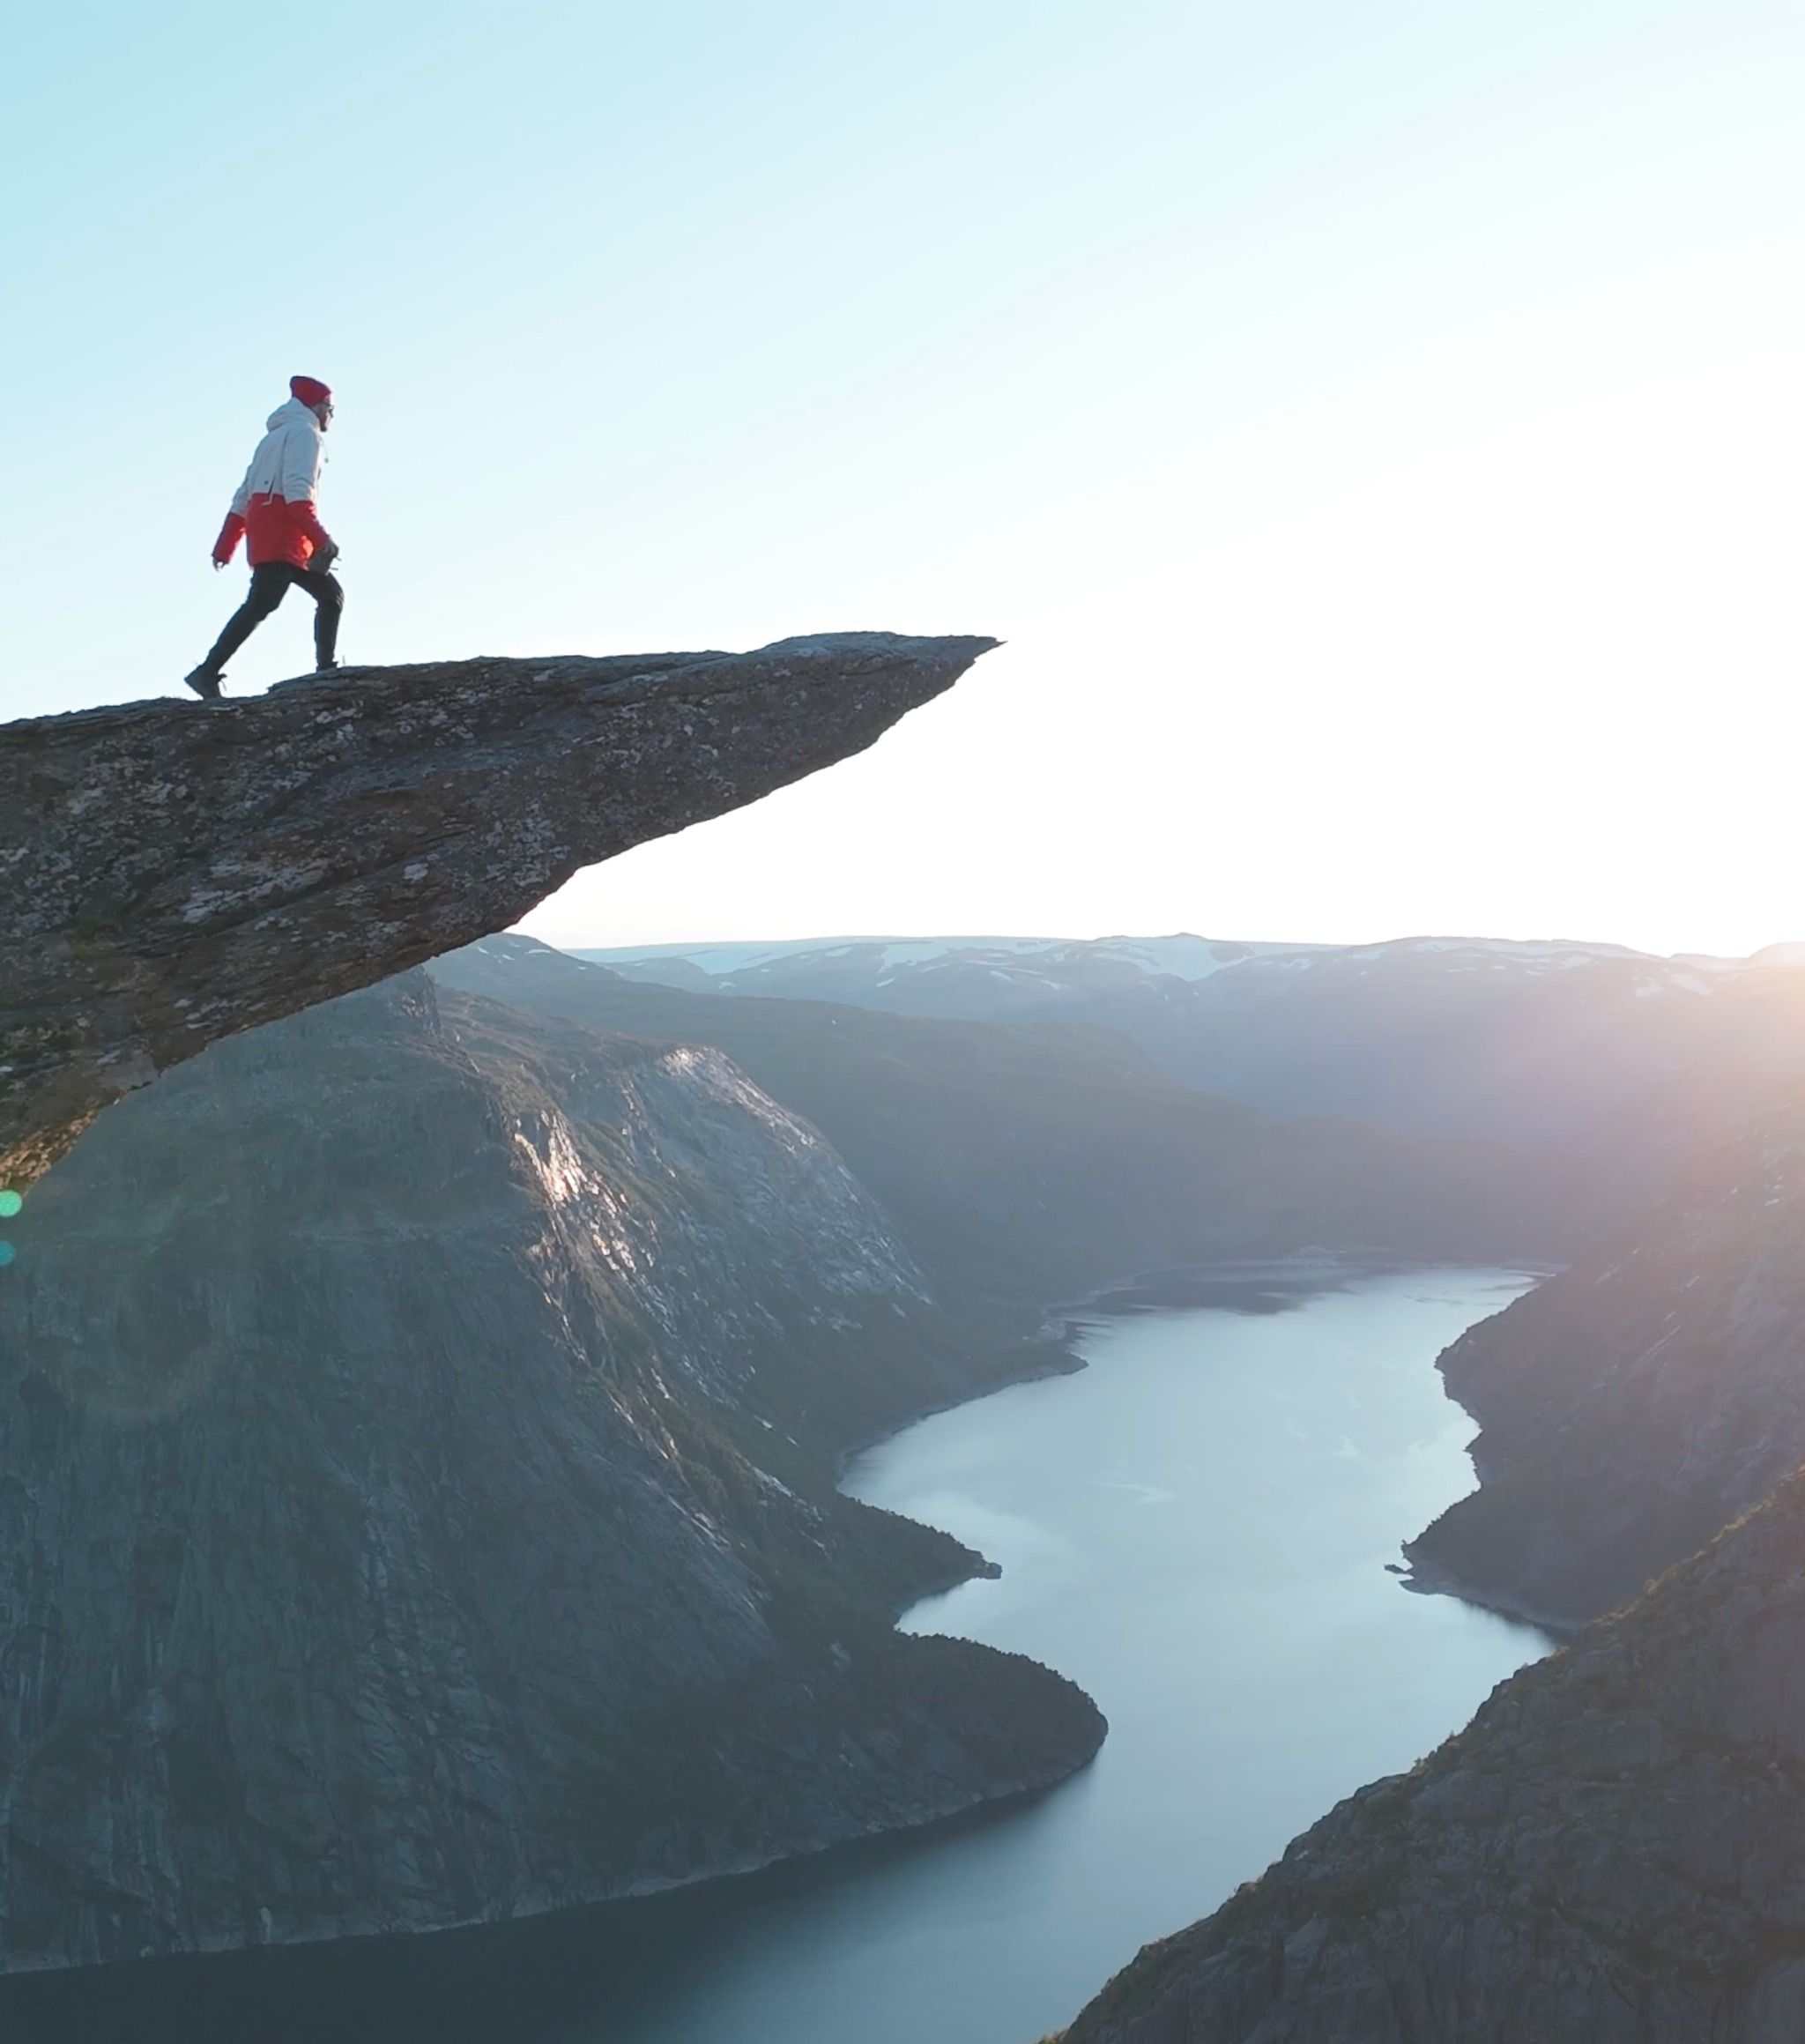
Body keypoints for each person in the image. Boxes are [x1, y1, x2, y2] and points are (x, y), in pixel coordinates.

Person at [184, 375, 343, 700]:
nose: (331, 415)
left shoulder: (270, 438)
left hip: (268, 527)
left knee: (325, 596)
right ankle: (207, 672)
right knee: (268, 602)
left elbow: (243, 497)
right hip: (286, 531)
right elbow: (298, 492)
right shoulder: (305, 434)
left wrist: (225, 546)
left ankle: (325, 669)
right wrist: (321, 538)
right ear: (316, 407)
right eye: (330, 408)